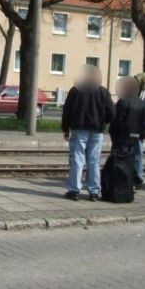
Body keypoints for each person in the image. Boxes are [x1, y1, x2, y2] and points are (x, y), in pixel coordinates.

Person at [61, 64, 115, 201]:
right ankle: (94, 191)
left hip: (79, 129)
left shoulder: (75, 91)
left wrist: (65, 128)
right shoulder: (103, 92)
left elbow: (67, 110)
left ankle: (74, 190)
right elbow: (112, 112)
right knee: (94, 161)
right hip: (97, 130)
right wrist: (104, 122)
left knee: (77, 160)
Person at [105, 76, 145, 202]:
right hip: (135, 137)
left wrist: (113, 133)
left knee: (118, 161)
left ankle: (117, 184)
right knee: (131, 161)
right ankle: (130, 183)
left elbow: (117, 120)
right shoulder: (141, 103)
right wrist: (142, 134)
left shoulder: (123, 102)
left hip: (122, 137)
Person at [133, 72, 145, 185]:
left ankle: (139, 176)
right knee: (136, 152)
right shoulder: (139, 93)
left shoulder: (144, 96)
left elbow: (144, 113)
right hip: (136, 128)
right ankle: (136, 174)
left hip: (139, 129)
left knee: (138, 153)